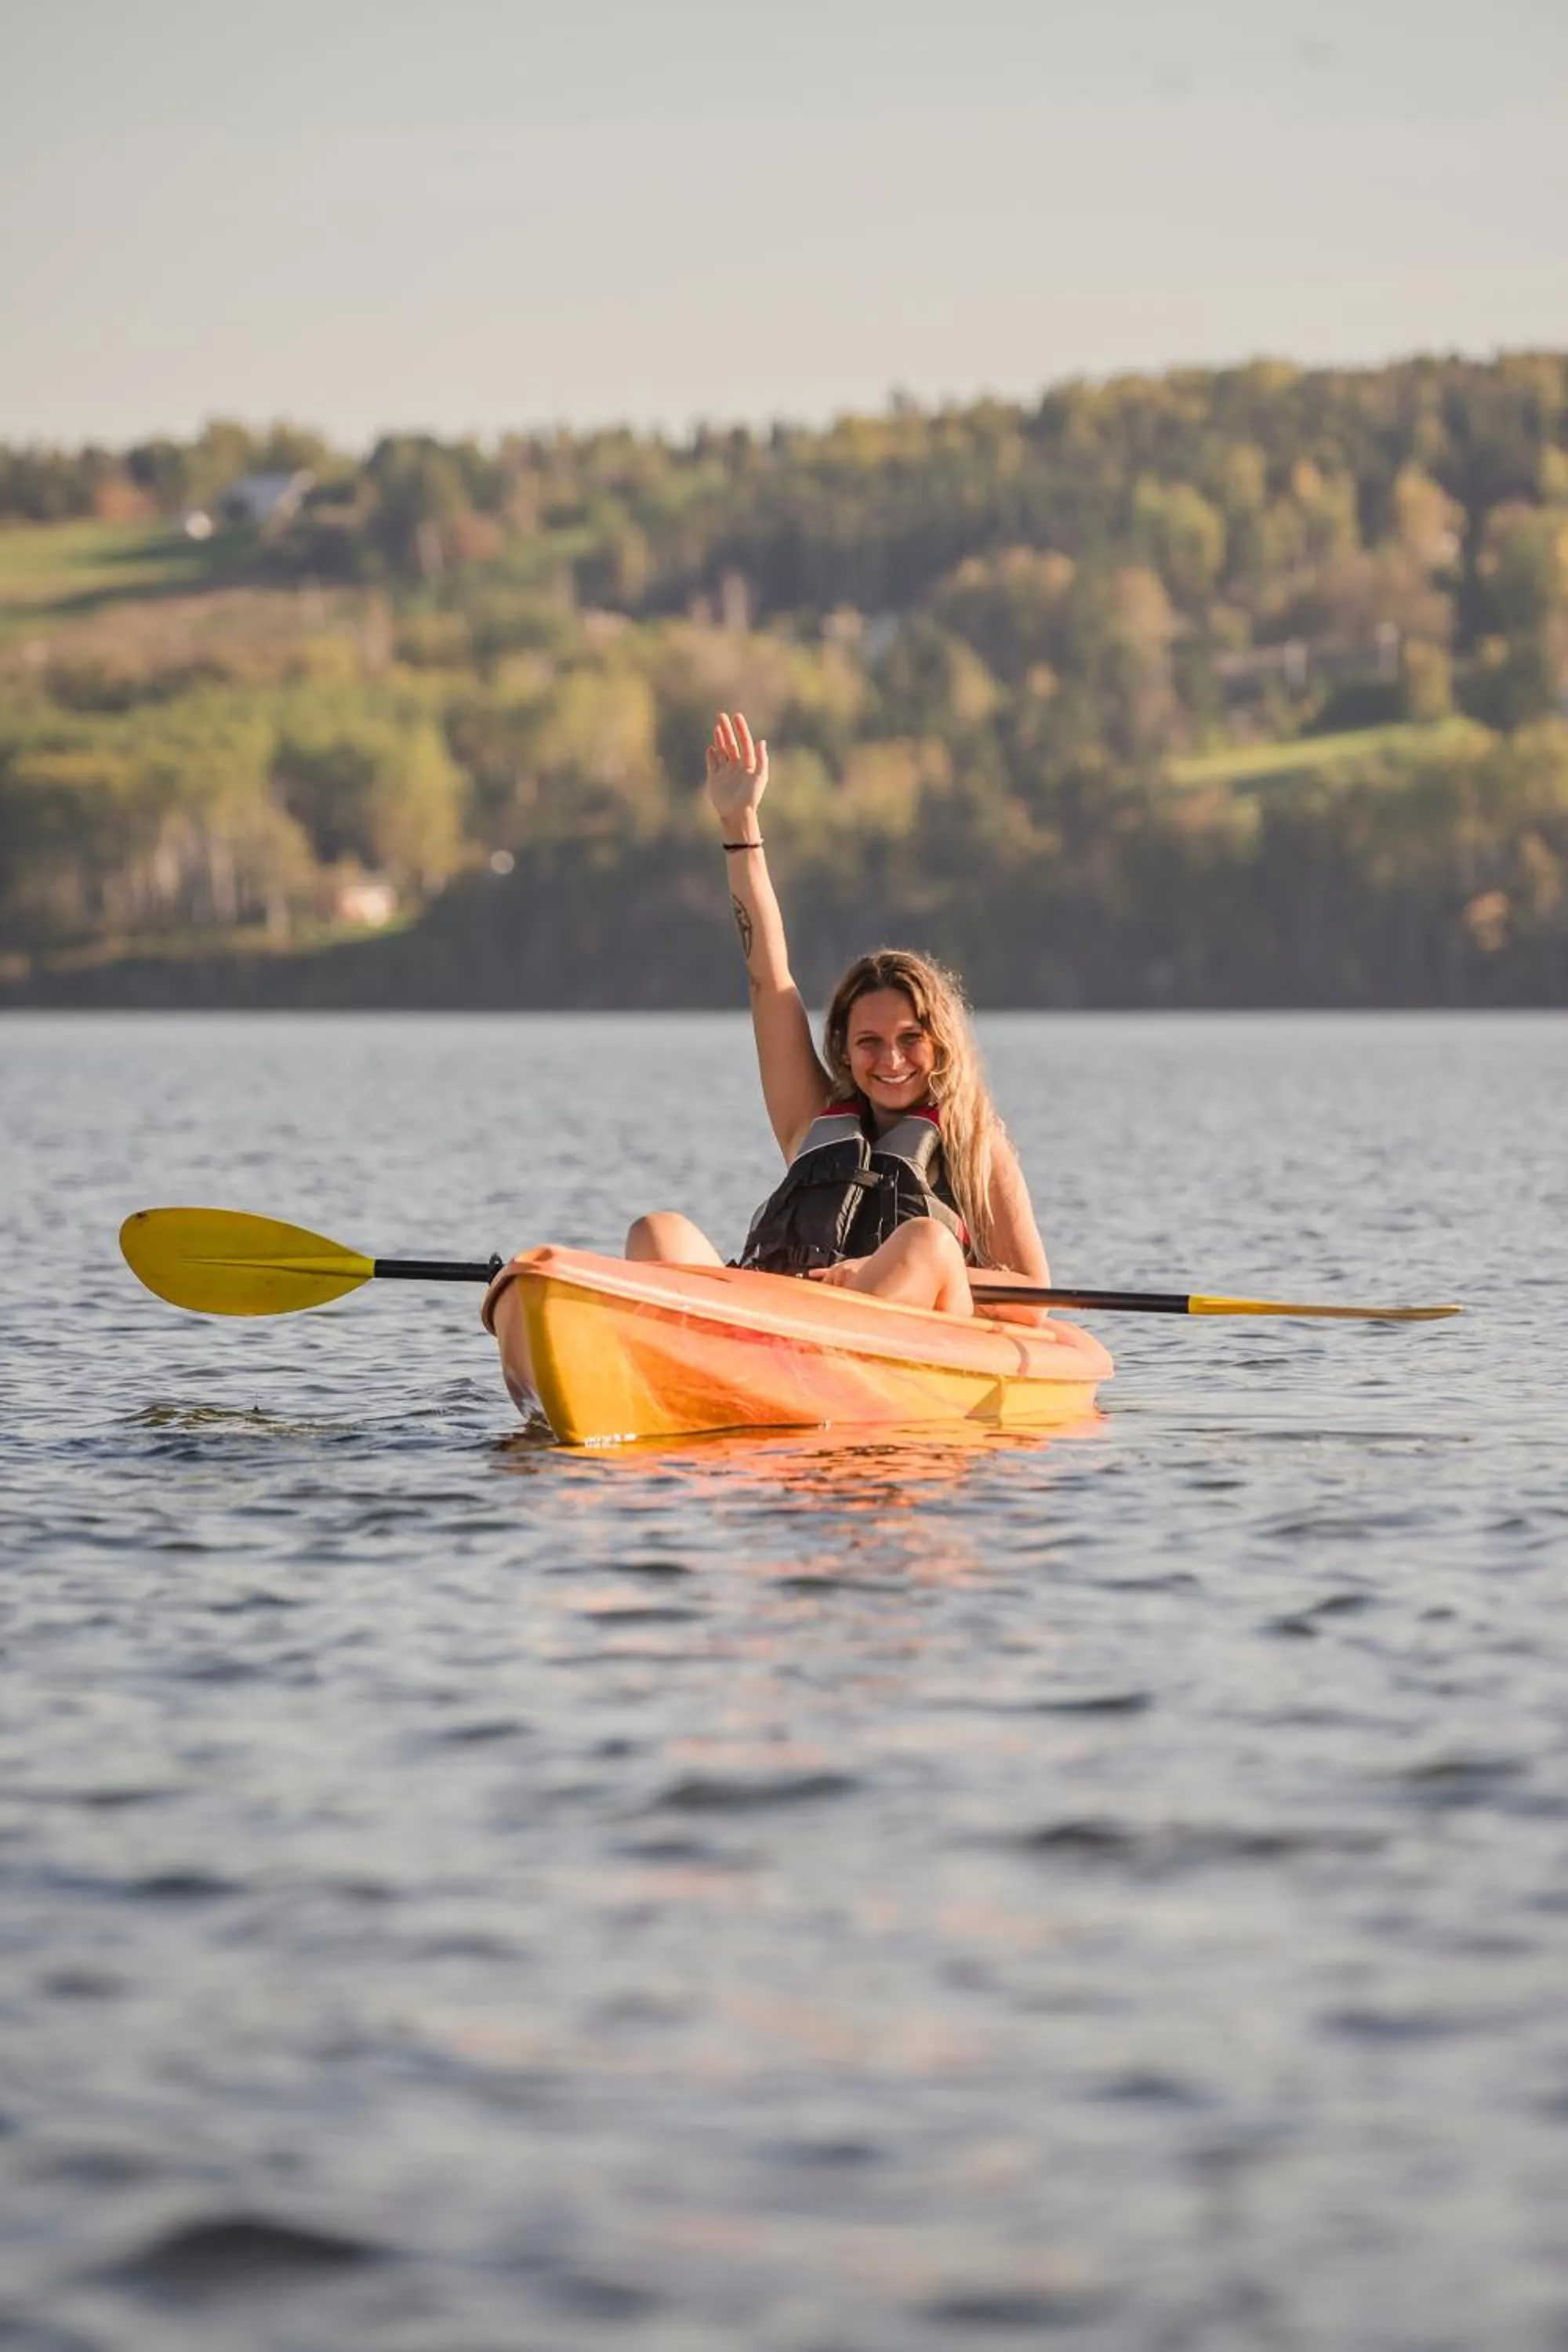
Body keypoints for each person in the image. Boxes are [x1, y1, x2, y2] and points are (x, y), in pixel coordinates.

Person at [626, 710, 1054, 1322]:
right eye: (869, 1041)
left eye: (910, 1038)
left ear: (941, 1043)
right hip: (783, 1318)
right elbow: (769, 980)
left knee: (927, 1242)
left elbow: (1034, 1296)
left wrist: (875, 1271)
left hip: (901, 1330)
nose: (891, 1059)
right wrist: (739, 824)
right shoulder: (813, 1119)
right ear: (845, 1051)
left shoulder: (975, 1142)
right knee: (657, 1233)